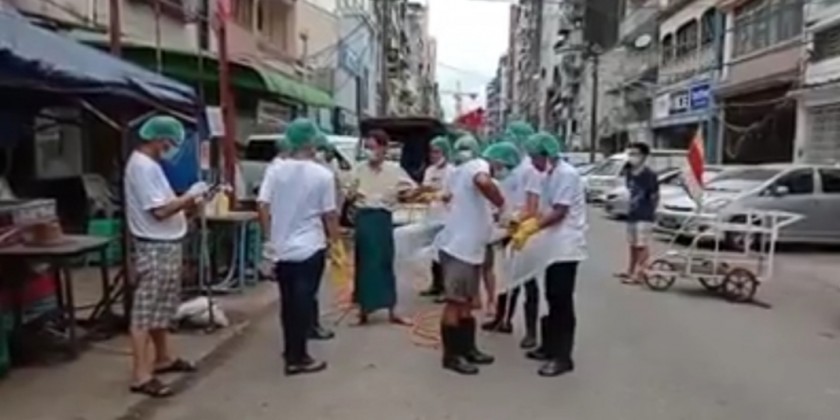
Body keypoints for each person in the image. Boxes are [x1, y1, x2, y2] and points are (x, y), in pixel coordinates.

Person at [124, 115, 204, 397]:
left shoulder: (152, 166)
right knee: (145, 311)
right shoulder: (143, 167)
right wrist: (189, 197)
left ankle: (163, 357)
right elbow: (159, 211)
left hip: (166, 243)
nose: (171, 149)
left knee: (161, 307)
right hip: (154, 246)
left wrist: (188, 204)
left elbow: (165, 205)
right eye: (170, 143)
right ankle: (140, 375)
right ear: (158, 139)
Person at [257, 118, 343, 375]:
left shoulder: (275, 170)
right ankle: (298, 357)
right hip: (310, 247)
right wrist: (336, 244)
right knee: (304, 301)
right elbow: (330, 215)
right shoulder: (323, 175)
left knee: (288, 303)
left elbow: (262, 205)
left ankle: (290, 350)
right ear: (312, 142)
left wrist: (269, 239)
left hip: (281, 250)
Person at [436, 141, 519, 375]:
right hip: (458, 250)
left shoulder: (466, 173)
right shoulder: (478, 166)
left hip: (472, 251)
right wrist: (501, 204)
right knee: (455, 302)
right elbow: (483, 182)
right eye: (504, 167)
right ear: (497, 161)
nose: (503, 172)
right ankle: (452, 355)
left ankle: (468, 348)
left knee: (467, 303)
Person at [512, 133, 587, 377]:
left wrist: (533, 227)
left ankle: (562, 357)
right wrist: (524, 222)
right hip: (553, 245)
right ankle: (549, 346)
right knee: (551, 296)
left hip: (567, 246)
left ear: (546, 154)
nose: (533, 163)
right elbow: (543, 208)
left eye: (534, 157)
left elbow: (559, 211)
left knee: (561, 299)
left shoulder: (566, 174)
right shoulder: (548, 175)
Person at [482, 122, 542, 351]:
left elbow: (532, 206)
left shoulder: (530, 171)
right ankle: (502, 319)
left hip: (525, 232)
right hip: (508, 228)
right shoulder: (510, 172)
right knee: (508, 278)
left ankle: (531, 332)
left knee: (527, 280)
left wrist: (515, 219)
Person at [348, 129, 416, 325]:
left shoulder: (394, 170)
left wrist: (407, 195)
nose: (370, 151)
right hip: (364, 218)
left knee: (385, 262)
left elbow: (410, 190)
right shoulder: (359, 169)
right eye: (367, 147)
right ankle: (363, 311)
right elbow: (349, 193)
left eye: (373, 147)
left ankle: (392, 310)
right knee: (364, 264)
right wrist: (352, 196)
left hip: (382, 219)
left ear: (384, 148)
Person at [616, 142, 659, 285]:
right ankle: (630, 270)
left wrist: (651, 211)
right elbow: (630, 191)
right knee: (632, 245)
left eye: (635, 154)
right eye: (630, 153)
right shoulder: (629, 173)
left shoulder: (649, 175)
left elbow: (655, 196)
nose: (632, 157)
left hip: (645, 215)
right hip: (632, 213)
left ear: (644, 156)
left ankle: (640, 273)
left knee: (641, 245)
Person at [419, 136, 455, 300]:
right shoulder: (429, 170)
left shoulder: (452, 171)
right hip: (432, 216)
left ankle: (447, 288)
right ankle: (435, 284)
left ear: (445, 152)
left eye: (437, 152)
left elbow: (451, 194)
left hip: (447, 217)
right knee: (432, 252)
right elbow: (425, 188)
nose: (433, 155)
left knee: (444, 254)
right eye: (431, 152)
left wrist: (437, 195)